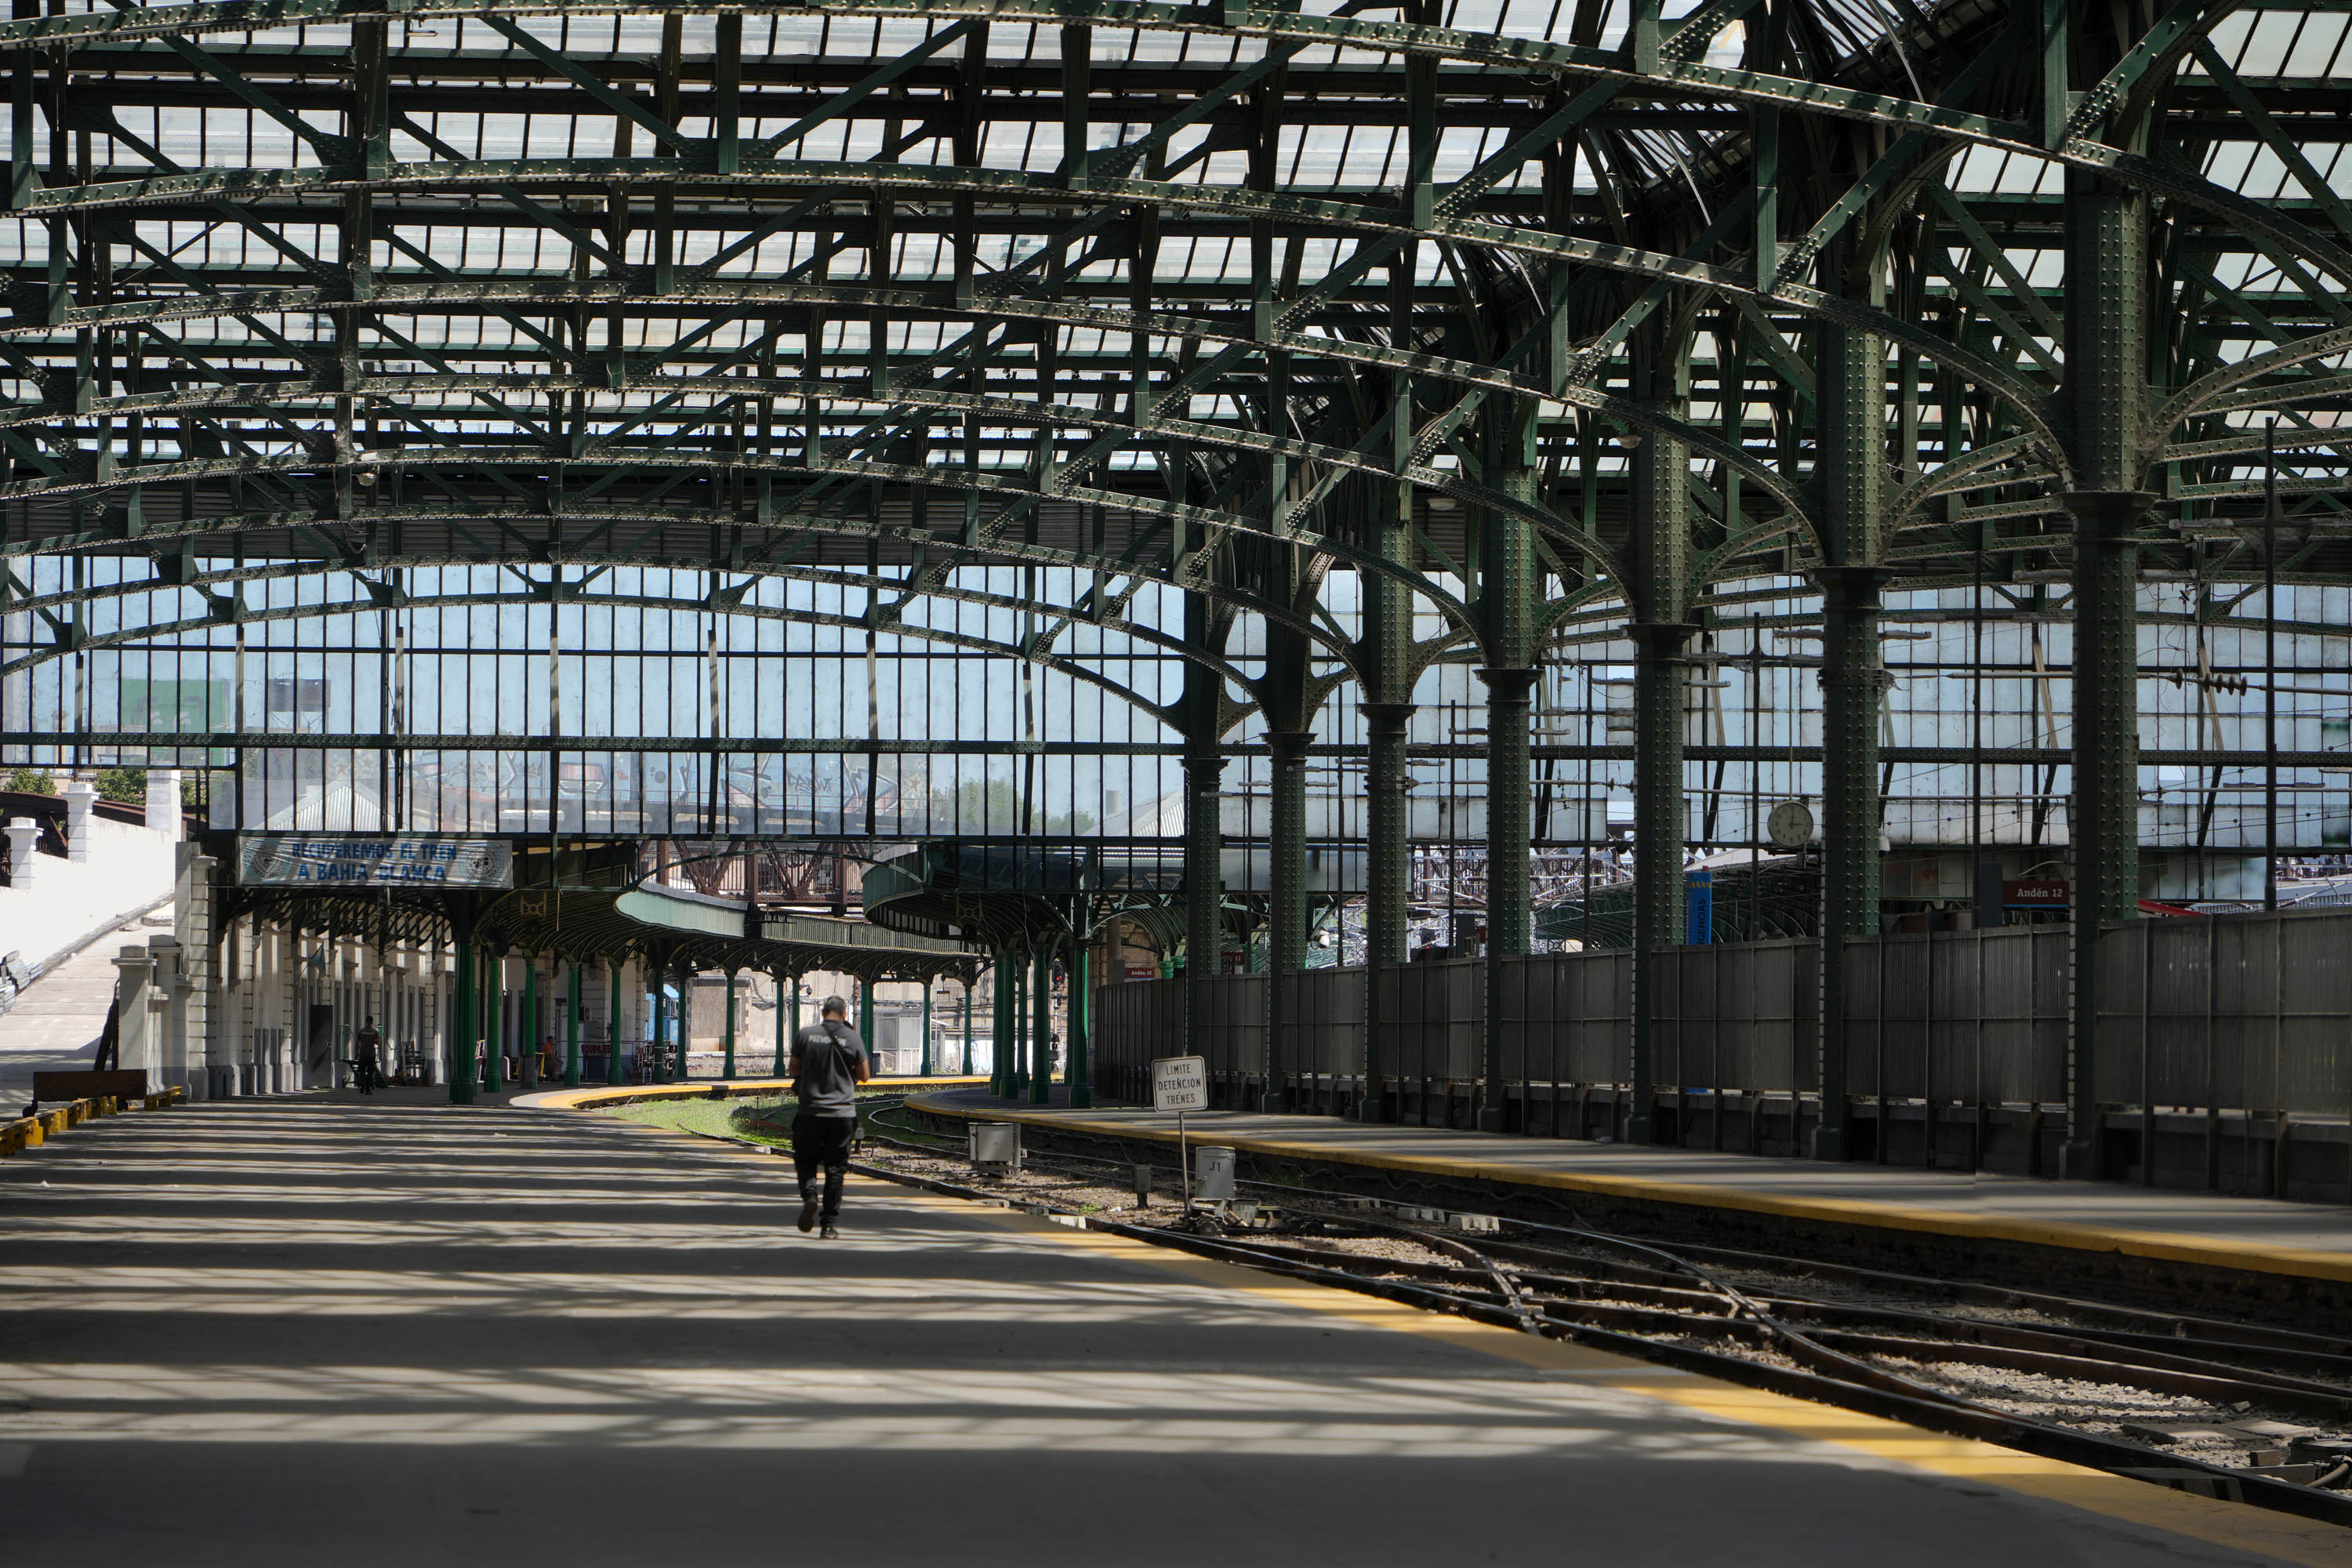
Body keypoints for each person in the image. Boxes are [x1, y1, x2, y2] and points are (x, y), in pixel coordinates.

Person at [789, 994, 869, 1240]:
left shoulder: (805, 1034)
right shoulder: (853, 1037)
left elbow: (793, 1068)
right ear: (844, 1014)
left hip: (810, 1111)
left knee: (805, 1160)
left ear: (823, 1013)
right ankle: (829, 1226)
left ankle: (810, 1195)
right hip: (842, 1114)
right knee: (836, 1169)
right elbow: (865, 1075)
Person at [353, 1016, 383, 1095]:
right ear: (372, 1022)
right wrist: (375, 1041)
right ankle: (368, 1090)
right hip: (371, 1055)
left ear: (366, 1022)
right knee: (370, 1073)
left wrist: (356, 1053)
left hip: (362, 1055)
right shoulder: (375, 1032)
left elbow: (357, 1043)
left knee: (362, 1072)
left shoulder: (361, 1031)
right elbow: (379, 1043)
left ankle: (362, 1086)